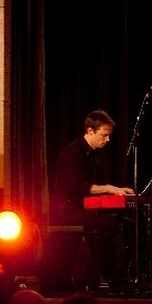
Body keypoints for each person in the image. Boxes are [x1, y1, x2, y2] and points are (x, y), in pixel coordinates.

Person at [51, 109, 134, 289]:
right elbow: (78, 187)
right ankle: (111, 276)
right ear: (90, 131)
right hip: (69, 212)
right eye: (104, 135)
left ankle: (119, 275)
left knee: (125, 220)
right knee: (110, 224)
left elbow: (96, 187)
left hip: (84, 207)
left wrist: (118, 192)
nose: (108, 139)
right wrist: (110, 189)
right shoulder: (72, 153)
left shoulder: (93, 154)